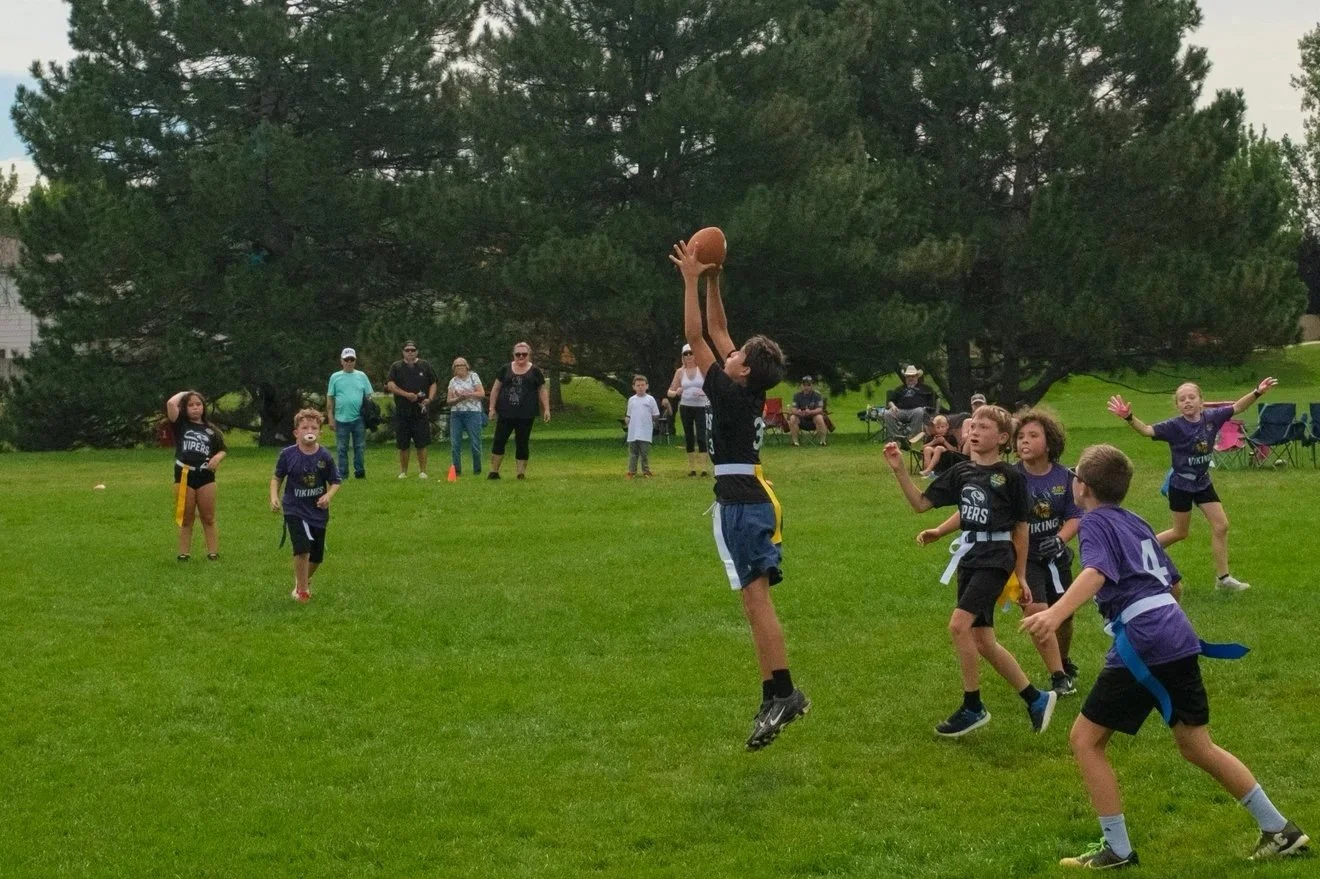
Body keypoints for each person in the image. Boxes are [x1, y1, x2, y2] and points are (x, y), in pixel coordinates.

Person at [1021, 444, 1308, 868]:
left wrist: (1055, 612)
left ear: (1082, 486)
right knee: (1196, 744)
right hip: (1177, 634)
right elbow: (1173, 585)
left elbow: (1096, 573)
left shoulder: (1094, 520)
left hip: (1147, 641)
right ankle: (1280, 830)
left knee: (1085, 740)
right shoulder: (1134, 521)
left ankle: (1116, 850)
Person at [671, 238, 807, 752]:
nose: (729, 352)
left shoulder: (728, 391)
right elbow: (721, 330)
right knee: (755, 604)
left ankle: (786, 693)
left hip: (745, 502)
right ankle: (774, 693)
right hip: (747, 496)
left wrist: (688, 279)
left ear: (743, 370)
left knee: (757, 602)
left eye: (737, 356)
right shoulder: (744, 384)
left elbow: (695, 333)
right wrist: (713, 277)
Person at [883, 404, 1058, 738]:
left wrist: (1020, 575)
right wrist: (899, 472)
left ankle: (973, 706)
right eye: (971, 426)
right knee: (982, 639)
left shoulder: (1011, 477)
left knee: (958, 625)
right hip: (970, 556)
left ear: (1003, 438)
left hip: (997, 556)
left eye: (983, 427)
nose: (974, 431)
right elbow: (920, 504)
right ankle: (1036, 699)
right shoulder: (961, 471)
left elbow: (1021, 528)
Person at [1107, 377, 1277, 591]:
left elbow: (1238, 407)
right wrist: (1129, 417)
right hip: (1180, 484)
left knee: (1221, 525)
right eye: (1182, 399)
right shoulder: (1174, 426)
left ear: (1201, 401)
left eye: (1191, 397)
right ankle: (1137, 551)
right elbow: (1147, 430)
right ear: (1177, 405)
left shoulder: (1212, 418)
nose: (1187, 401)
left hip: (1203, 482)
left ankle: (1223, 579)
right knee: (1180, 532)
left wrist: (1258, 392)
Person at [270, 409, 342, 603]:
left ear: (320, 432)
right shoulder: (287, 454)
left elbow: (335, 481)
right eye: (304, 427)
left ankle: (303, 580)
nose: (309, 430)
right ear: (296, 433)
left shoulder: (325, 456)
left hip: (317, 511)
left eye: (314, 427)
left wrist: (328, 495)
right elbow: (277, 478)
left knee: (316, 556)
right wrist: (274, 496)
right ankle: (302, 591)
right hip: (294, 508)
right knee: (302, 548)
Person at [166, 390, 227, 561]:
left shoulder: (211, 430)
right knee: (186, 517)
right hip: (184, 474)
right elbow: (171, 403)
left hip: (205, 476)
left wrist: (218, 457)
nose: (195, 408)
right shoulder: (181, 425)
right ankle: (184, 553)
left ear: (204, 407)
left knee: (208, 517)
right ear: (185, 408)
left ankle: (213, 552)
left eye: (198, 404)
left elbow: (222, 449)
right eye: (190, 405)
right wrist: (187, 392)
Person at [487, 341, 550, 480]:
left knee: (522, 442)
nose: (521, 356)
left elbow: (542, 389)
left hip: (526, 414)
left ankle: (520, 473)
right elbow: (496, 388)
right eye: (518, 354)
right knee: (499, 440)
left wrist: (546, 409)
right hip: (505, 412)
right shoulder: (505, 369)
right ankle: (494, 472)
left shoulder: (535, 371)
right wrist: (491, 408)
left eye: (524, 354)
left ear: (529, 355)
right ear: (513, 354)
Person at [385, 340, 438, 479]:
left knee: (422, 442)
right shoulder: (396, 366)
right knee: (403, 444)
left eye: (413, 350)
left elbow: (433, 383)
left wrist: (430, 399)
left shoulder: (424, 365)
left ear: (417, 351)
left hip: (420, 411)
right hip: (403, 411)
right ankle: (403, 471)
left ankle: (423, 471)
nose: (410, 352)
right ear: (403, 352)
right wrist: (406, 395)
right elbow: (390, 385)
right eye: (407, 350)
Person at [326, 347, 374, 480]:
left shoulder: (361, 376)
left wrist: (369, 413)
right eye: (346, 359)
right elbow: (330, 398)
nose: (349, 362)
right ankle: (342, 474)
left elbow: (369, 396)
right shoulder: (335, 377)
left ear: (355, 361)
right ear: (341, 361)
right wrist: (331, 418)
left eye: (352, 359)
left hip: (358, 418)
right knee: (342, 448)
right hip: (341, 419)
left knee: (359, 447)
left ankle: (360, 472)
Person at [666, 343, 712, 476]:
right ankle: (692, 468)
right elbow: (670, 391)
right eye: (685, 354)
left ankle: (703, 468)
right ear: (682, 357)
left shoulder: (702, 369)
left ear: (695, 355)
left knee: (702, 436)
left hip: (701, 406)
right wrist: (676, 393)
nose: (689, 356)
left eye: (691, 353)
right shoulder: (680, 372)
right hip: (686, 406)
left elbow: (711, 387)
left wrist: (703, 393)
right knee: (689, 436)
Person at [446, 356, 485, 477]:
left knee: (475, 442)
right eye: (457, 366)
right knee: (455, 444)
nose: (460, 368)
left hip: (473, 413)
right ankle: (456, 470)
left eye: (462, 365)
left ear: (467, 366)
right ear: (454, 368)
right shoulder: (453, 381)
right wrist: (458, 398)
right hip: (456, 414)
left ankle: (477, 470)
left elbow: (481, 394)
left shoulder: (474, 376)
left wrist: (468, 394)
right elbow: (449, 401)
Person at [883, 364, 939, 442]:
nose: (910, 378)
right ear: (905, 377)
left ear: (917, 377)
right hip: (900, 411)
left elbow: (936, 400)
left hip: (917, 411)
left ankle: (913, 439)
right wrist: (892, 406)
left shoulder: (926, 388)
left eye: (913, 376)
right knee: (887, 413)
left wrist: (935, 413)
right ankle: (897, 438)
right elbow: (891, 400)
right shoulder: (900, 389)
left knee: (919, 411)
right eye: (908, 376)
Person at [625, 374, 662, 478]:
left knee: (644, 453)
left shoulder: (650, 399)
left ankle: (646, 471)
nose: (640, 387)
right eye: (638, 385)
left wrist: (651, 421)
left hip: (645, 431)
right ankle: (631, 471)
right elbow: (628, 415)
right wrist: (627, 420)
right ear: (634, 387)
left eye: (642, 385)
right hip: (633, 431)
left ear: (647, 386)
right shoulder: (631, 400)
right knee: (633, 453)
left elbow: (656, 414)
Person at [788, 376, 828, 447]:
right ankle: (795, 442)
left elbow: (820, 409)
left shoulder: (817, 395)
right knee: (792, 418)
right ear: (801, 386)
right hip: (801, 419)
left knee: (819, 417)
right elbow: (793, 409)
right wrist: (799, 412)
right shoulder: (796, 396)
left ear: (812, 385)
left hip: (813, 419)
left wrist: (810, 412)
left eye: (808, 385)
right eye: (804, 385)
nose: (806, 387)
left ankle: (822, 441)